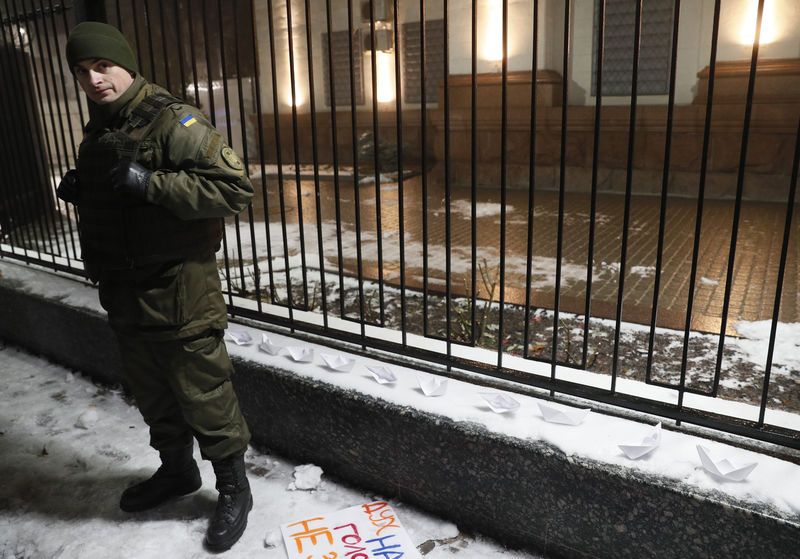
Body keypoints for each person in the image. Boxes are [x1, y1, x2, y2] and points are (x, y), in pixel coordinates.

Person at [58, 21, 254, 552]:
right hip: (124, 287)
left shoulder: (173, 119)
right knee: (152, 392)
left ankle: (234, 488)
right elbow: (120, 199)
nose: (93, 79)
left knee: (203, 392)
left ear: (125, 63)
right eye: (82, 71)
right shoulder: (103, 127)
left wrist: (152, 184)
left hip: (179, 288)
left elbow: (234, 189)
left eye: (102, 66)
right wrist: (87, 192)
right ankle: (177, 472)